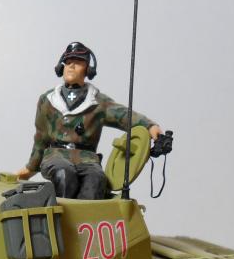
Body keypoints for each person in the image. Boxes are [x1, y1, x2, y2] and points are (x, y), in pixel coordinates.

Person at [16, 41, 163, 200]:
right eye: (68, 62)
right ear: (61, 67)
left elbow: (122, 115)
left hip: (87, 158)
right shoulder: (48, 100)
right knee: (64, 174)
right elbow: (41, 137)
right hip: (56, 155)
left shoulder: (98, 102)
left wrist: (150, 126)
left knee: (96, 179)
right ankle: (61, 214)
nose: (71, 66)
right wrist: (31, 167)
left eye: (78, 63)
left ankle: (85, 216)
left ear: (88, 69)